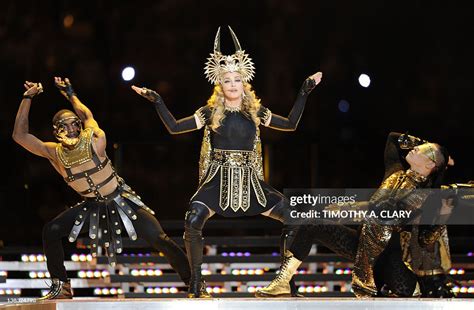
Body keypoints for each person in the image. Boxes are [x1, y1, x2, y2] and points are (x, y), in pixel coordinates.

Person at [132, 26, 322, 298]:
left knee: (294, 218)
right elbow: (174, 127)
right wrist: (158, 101)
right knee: (193, 219)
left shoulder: (257, 112)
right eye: (227, 81)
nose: (232, 85)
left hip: (250, 182)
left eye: (236, 80)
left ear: (244, 83)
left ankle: (285, 282)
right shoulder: (210, 112)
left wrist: (304, 92)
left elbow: (291, 124)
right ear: (219, 85)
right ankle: (197, 283)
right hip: (216, 179)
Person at [12, 78, 191, 299]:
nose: (70, 130)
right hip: (92, 208)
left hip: (121, 200)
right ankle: (62, 286)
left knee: (158, 238)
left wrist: (71, 93)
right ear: (56, 130)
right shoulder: (54, 153)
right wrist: (27, 97)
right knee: (51, 231)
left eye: (73, 124)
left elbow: (87, 116)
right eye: (64, 126)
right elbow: (20, 136)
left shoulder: (95, 139)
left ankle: (193, 282)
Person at [257, 131, 453, 297]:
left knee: (408, 292)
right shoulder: (395, 172)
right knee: (310, 222)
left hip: (391, 261)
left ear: (429, 166)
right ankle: (283, 282)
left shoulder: (427, 197)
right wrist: (425, 145)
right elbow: (393, 138)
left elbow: (393, 219)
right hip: (360, 247)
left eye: (425, 150)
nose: (417, 148)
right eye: (420, 146)